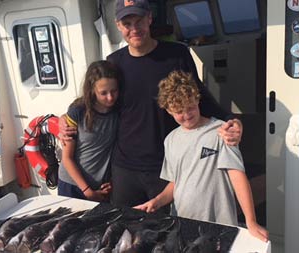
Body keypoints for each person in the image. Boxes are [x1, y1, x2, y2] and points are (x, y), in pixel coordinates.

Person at [59, 0, 243, 208]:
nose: (134, 29)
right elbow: (92, 99)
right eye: (127, 24)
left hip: (164, 165)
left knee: (163, 230)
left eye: (139, 21)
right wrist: (62, 120)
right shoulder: (114, 62)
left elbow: (199, 96)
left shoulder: (177, 54)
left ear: (149, 18)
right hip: (124, 168)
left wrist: (230, 119)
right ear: (118, 25)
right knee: (123, 227)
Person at [135, 71, 268, 242]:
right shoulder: (170, 140)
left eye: (190, 107)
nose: (187, 114)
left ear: (197, 99)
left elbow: (237, 175)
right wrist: (157, 201)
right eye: (179, 111)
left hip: (220, 226)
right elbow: (176, 182)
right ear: (168, 110)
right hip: (182, 224)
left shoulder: (221, 131)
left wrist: (251, 221)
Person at [58, 60, 120, 202]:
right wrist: (87, 191)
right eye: (103, 93)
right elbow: (67, 159)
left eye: (114, 91)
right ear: (92, 90)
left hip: (99, 186)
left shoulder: (119, 110)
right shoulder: (78, 112)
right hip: (72, 185)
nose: (110, 97)